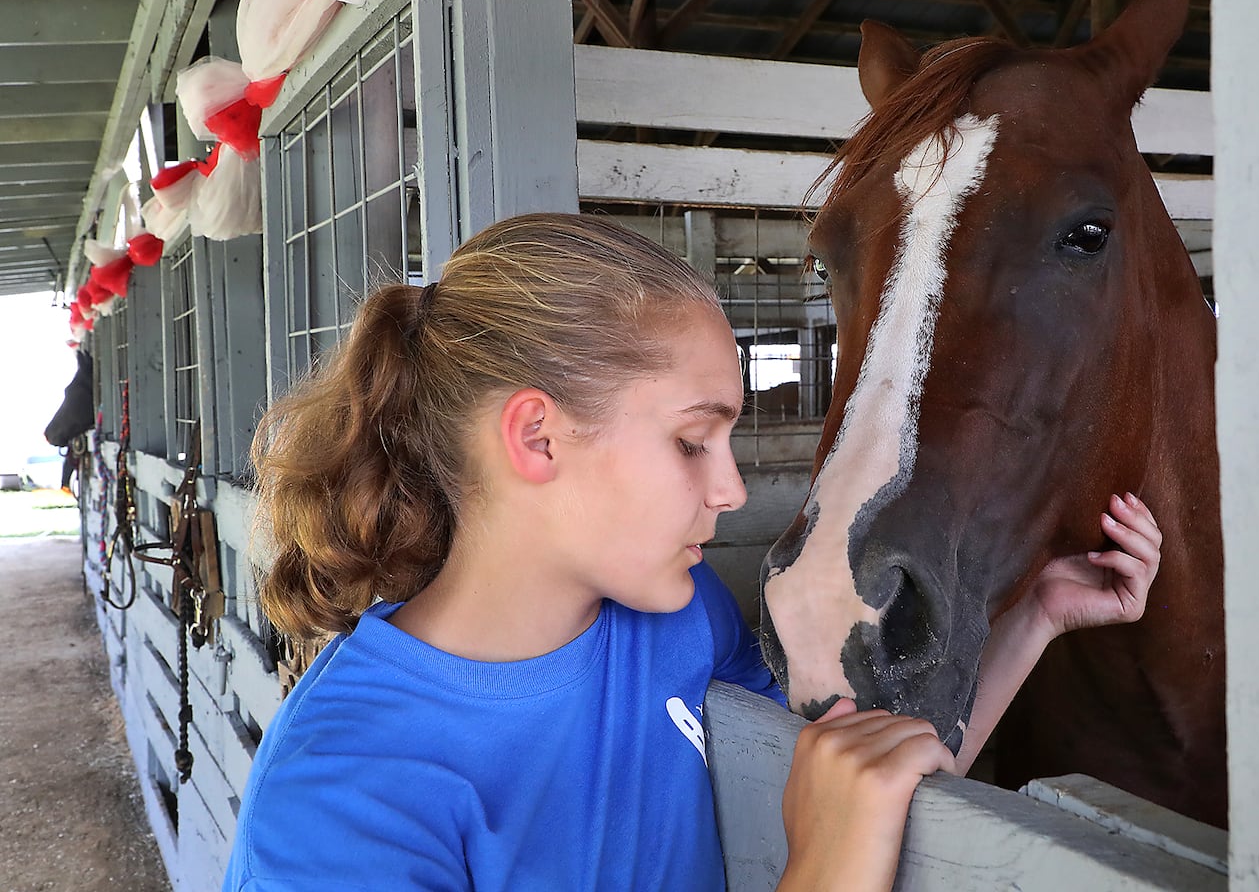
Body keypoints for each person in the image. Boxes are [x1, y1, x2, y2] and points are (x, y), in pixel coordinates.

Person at [222, 212, 1162, 892]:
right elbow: (833, 847)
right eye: (690, 441)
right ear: (537, 439)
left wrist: (1035, 618)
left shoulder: (681, 620)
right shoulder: (339, 799)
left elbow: (861, 782)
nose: (733, 491)